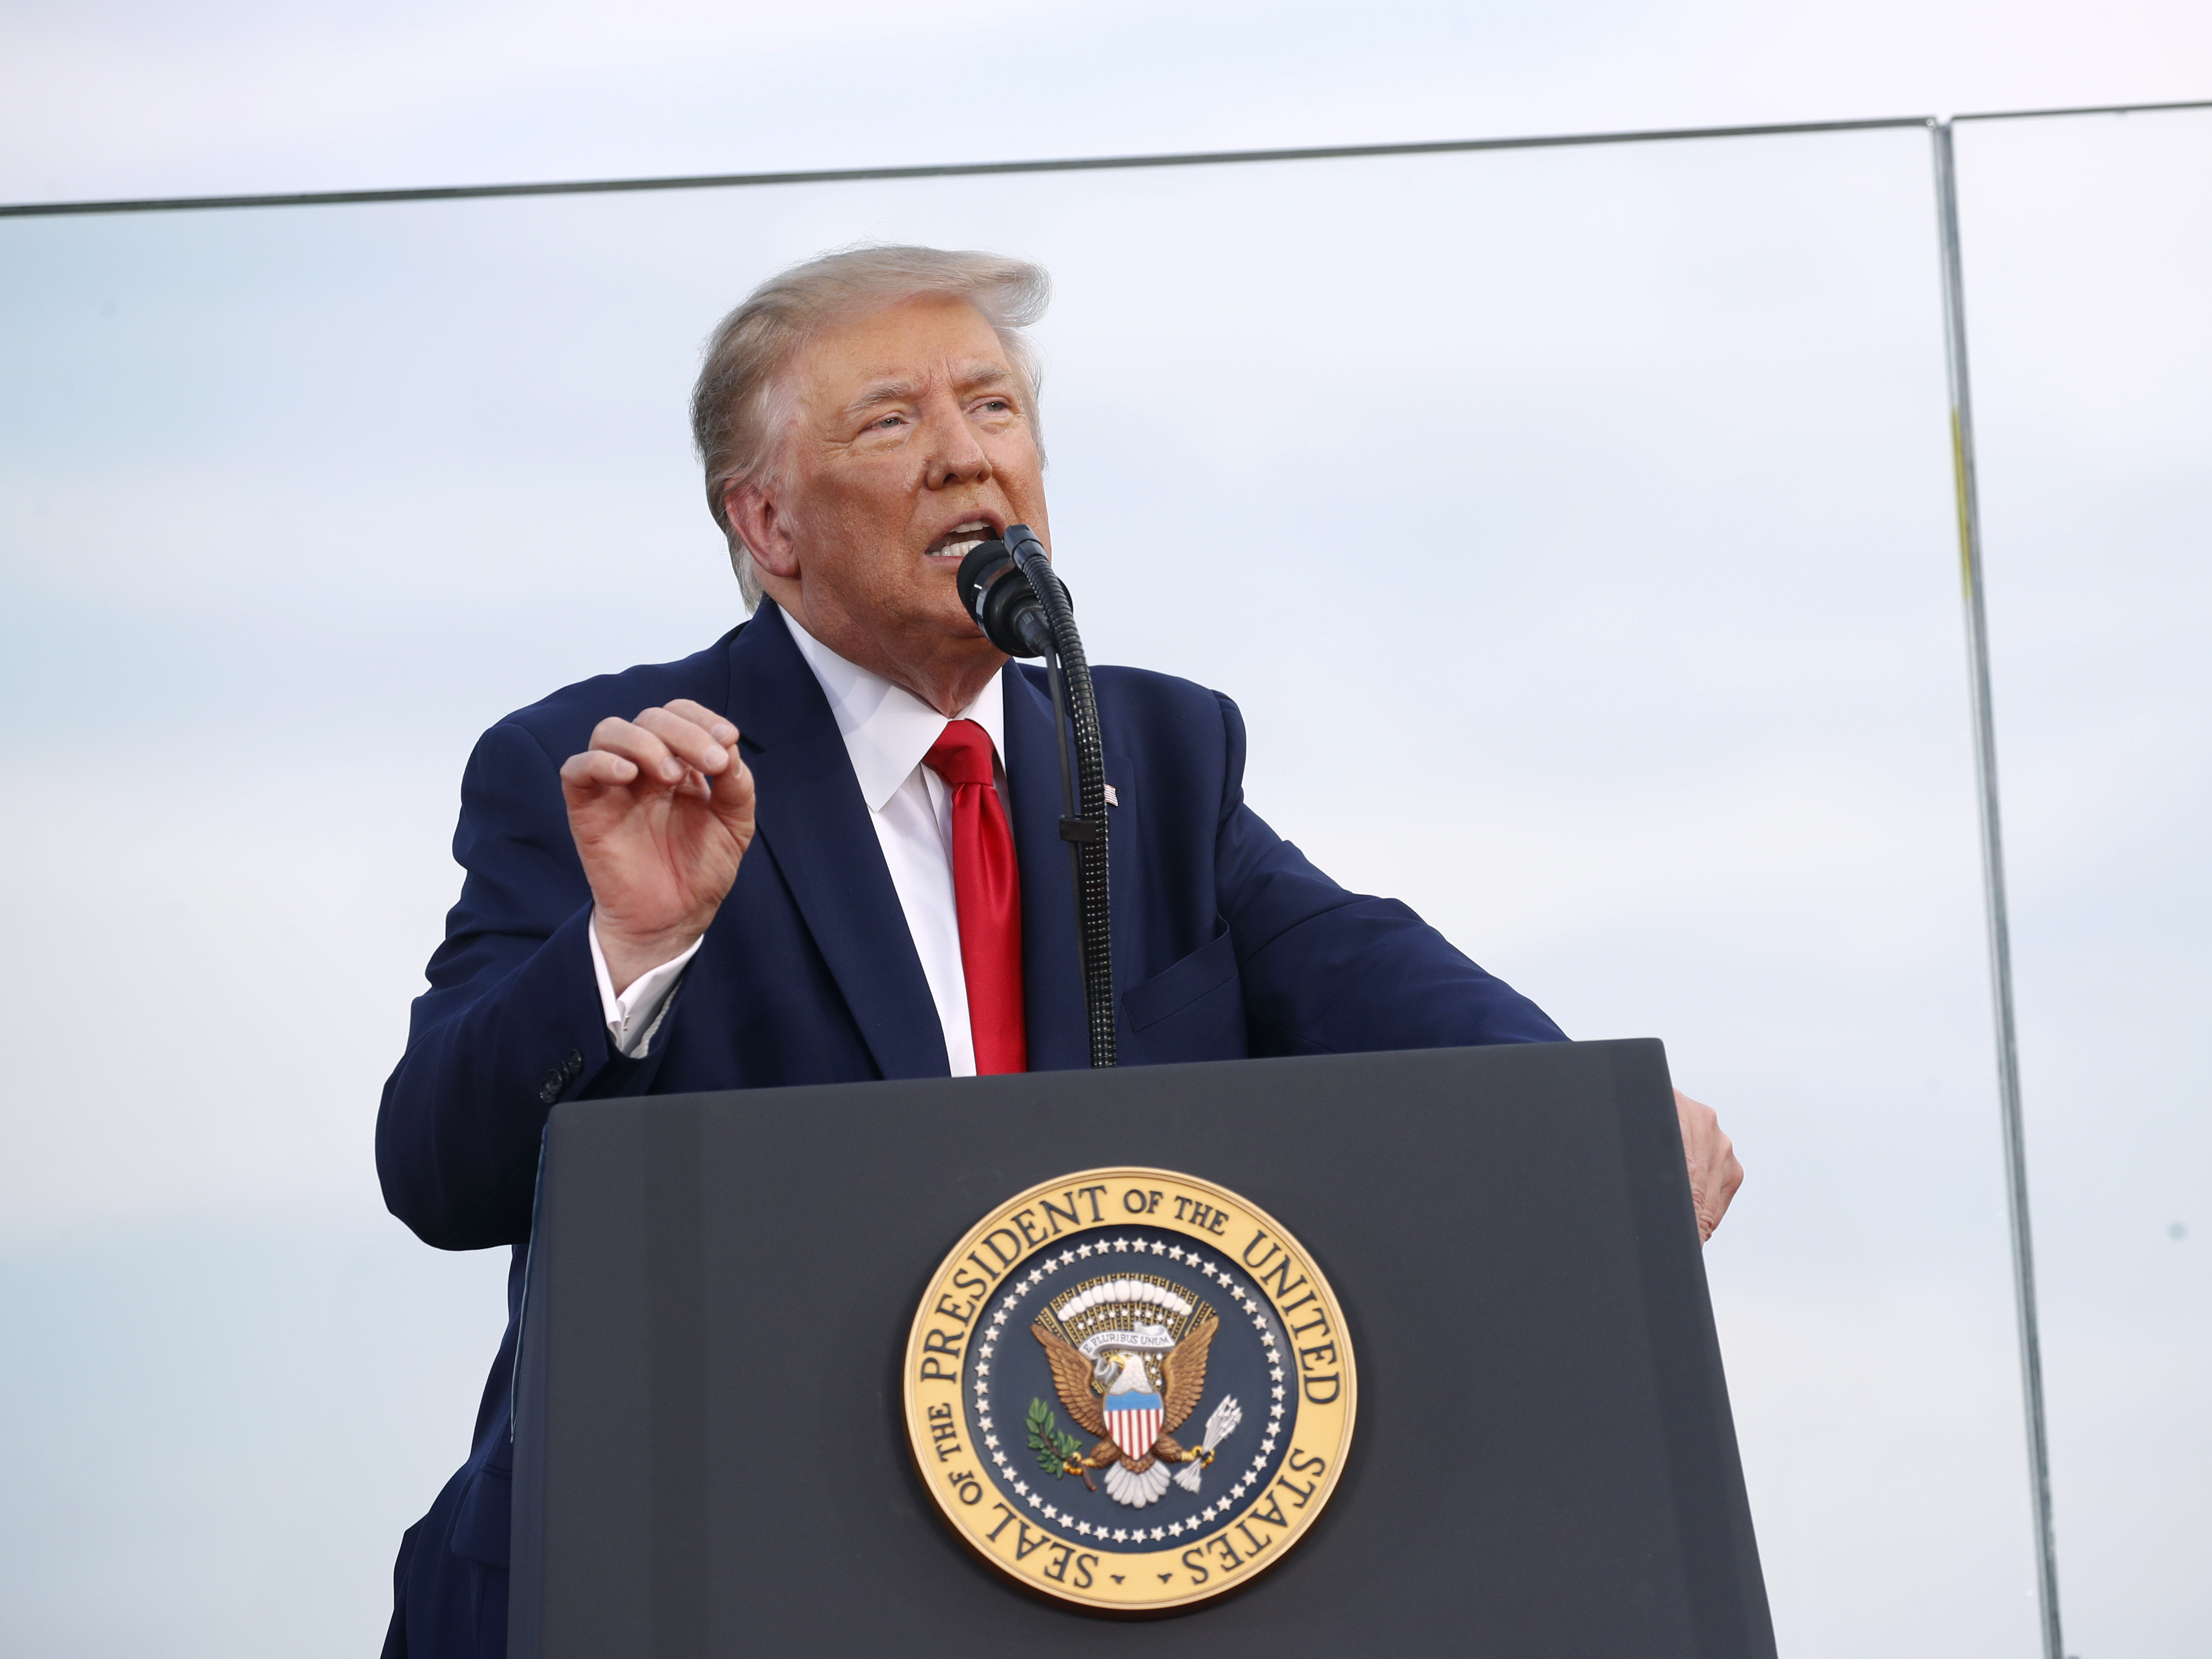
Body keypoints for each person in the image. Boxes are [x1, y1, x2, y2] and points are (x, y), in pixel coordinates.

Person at [374, 245, 1742, 1657]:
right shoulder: (615, 773)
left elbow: (1367, 970)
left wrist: (1595, 1122)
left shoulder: (1148, 752)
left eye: (994, 410)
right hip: (674, 1579)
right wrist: (632, 945)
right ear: (767, 524)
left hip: (1050, 1577)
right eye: (893, 422)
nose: (965, 458)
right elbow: (436, 1168)